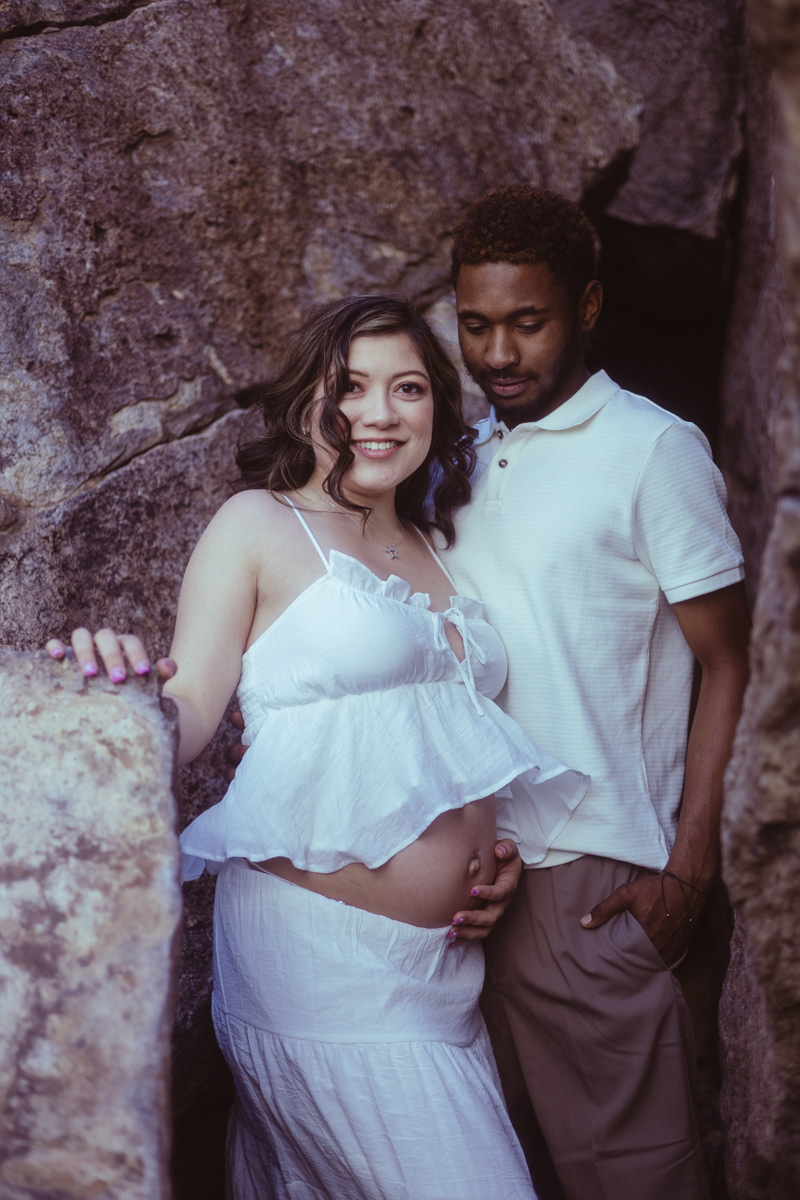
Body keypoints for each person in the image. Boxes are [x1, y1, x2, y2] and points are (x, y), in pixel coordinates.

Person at [47, 294, 591, 1200]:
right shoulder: (259, 525)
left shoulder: (434, 542)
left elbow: (441, 738)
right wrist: (115, 693)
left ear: (437, 406)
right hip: (320, 962)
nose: (380, 413)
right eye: (351, 386)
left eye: (408, 388)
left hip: (446, 972)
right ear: (310, 399)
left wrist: (497, 856)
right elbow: (189, 708)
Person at [432, 186, 750, 1200]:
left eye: (527, 322)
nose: (497, 352)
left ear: (588, 307)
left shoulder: (654, 450)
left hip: (594, 883)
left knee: (640, 1182)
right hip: (464, 890)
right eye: (474, 323)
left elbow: (731, 662)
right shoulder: (457, 460)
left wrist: (686, 869)